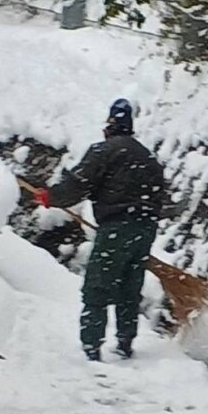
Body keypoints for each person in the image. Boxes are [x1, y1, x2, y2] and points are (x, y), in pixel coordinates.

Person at [33, 99, 166, 362]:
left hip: (116, 227)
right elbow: (158, 195)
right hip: (145, 228)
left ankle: (91, 346)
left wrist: (51, 197)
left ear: (110, 125)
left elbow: (79, 183)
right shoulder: (148, 158)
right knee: (130, 284)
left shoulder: (105, 151)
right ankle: (126, 342)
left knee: (98, 285)